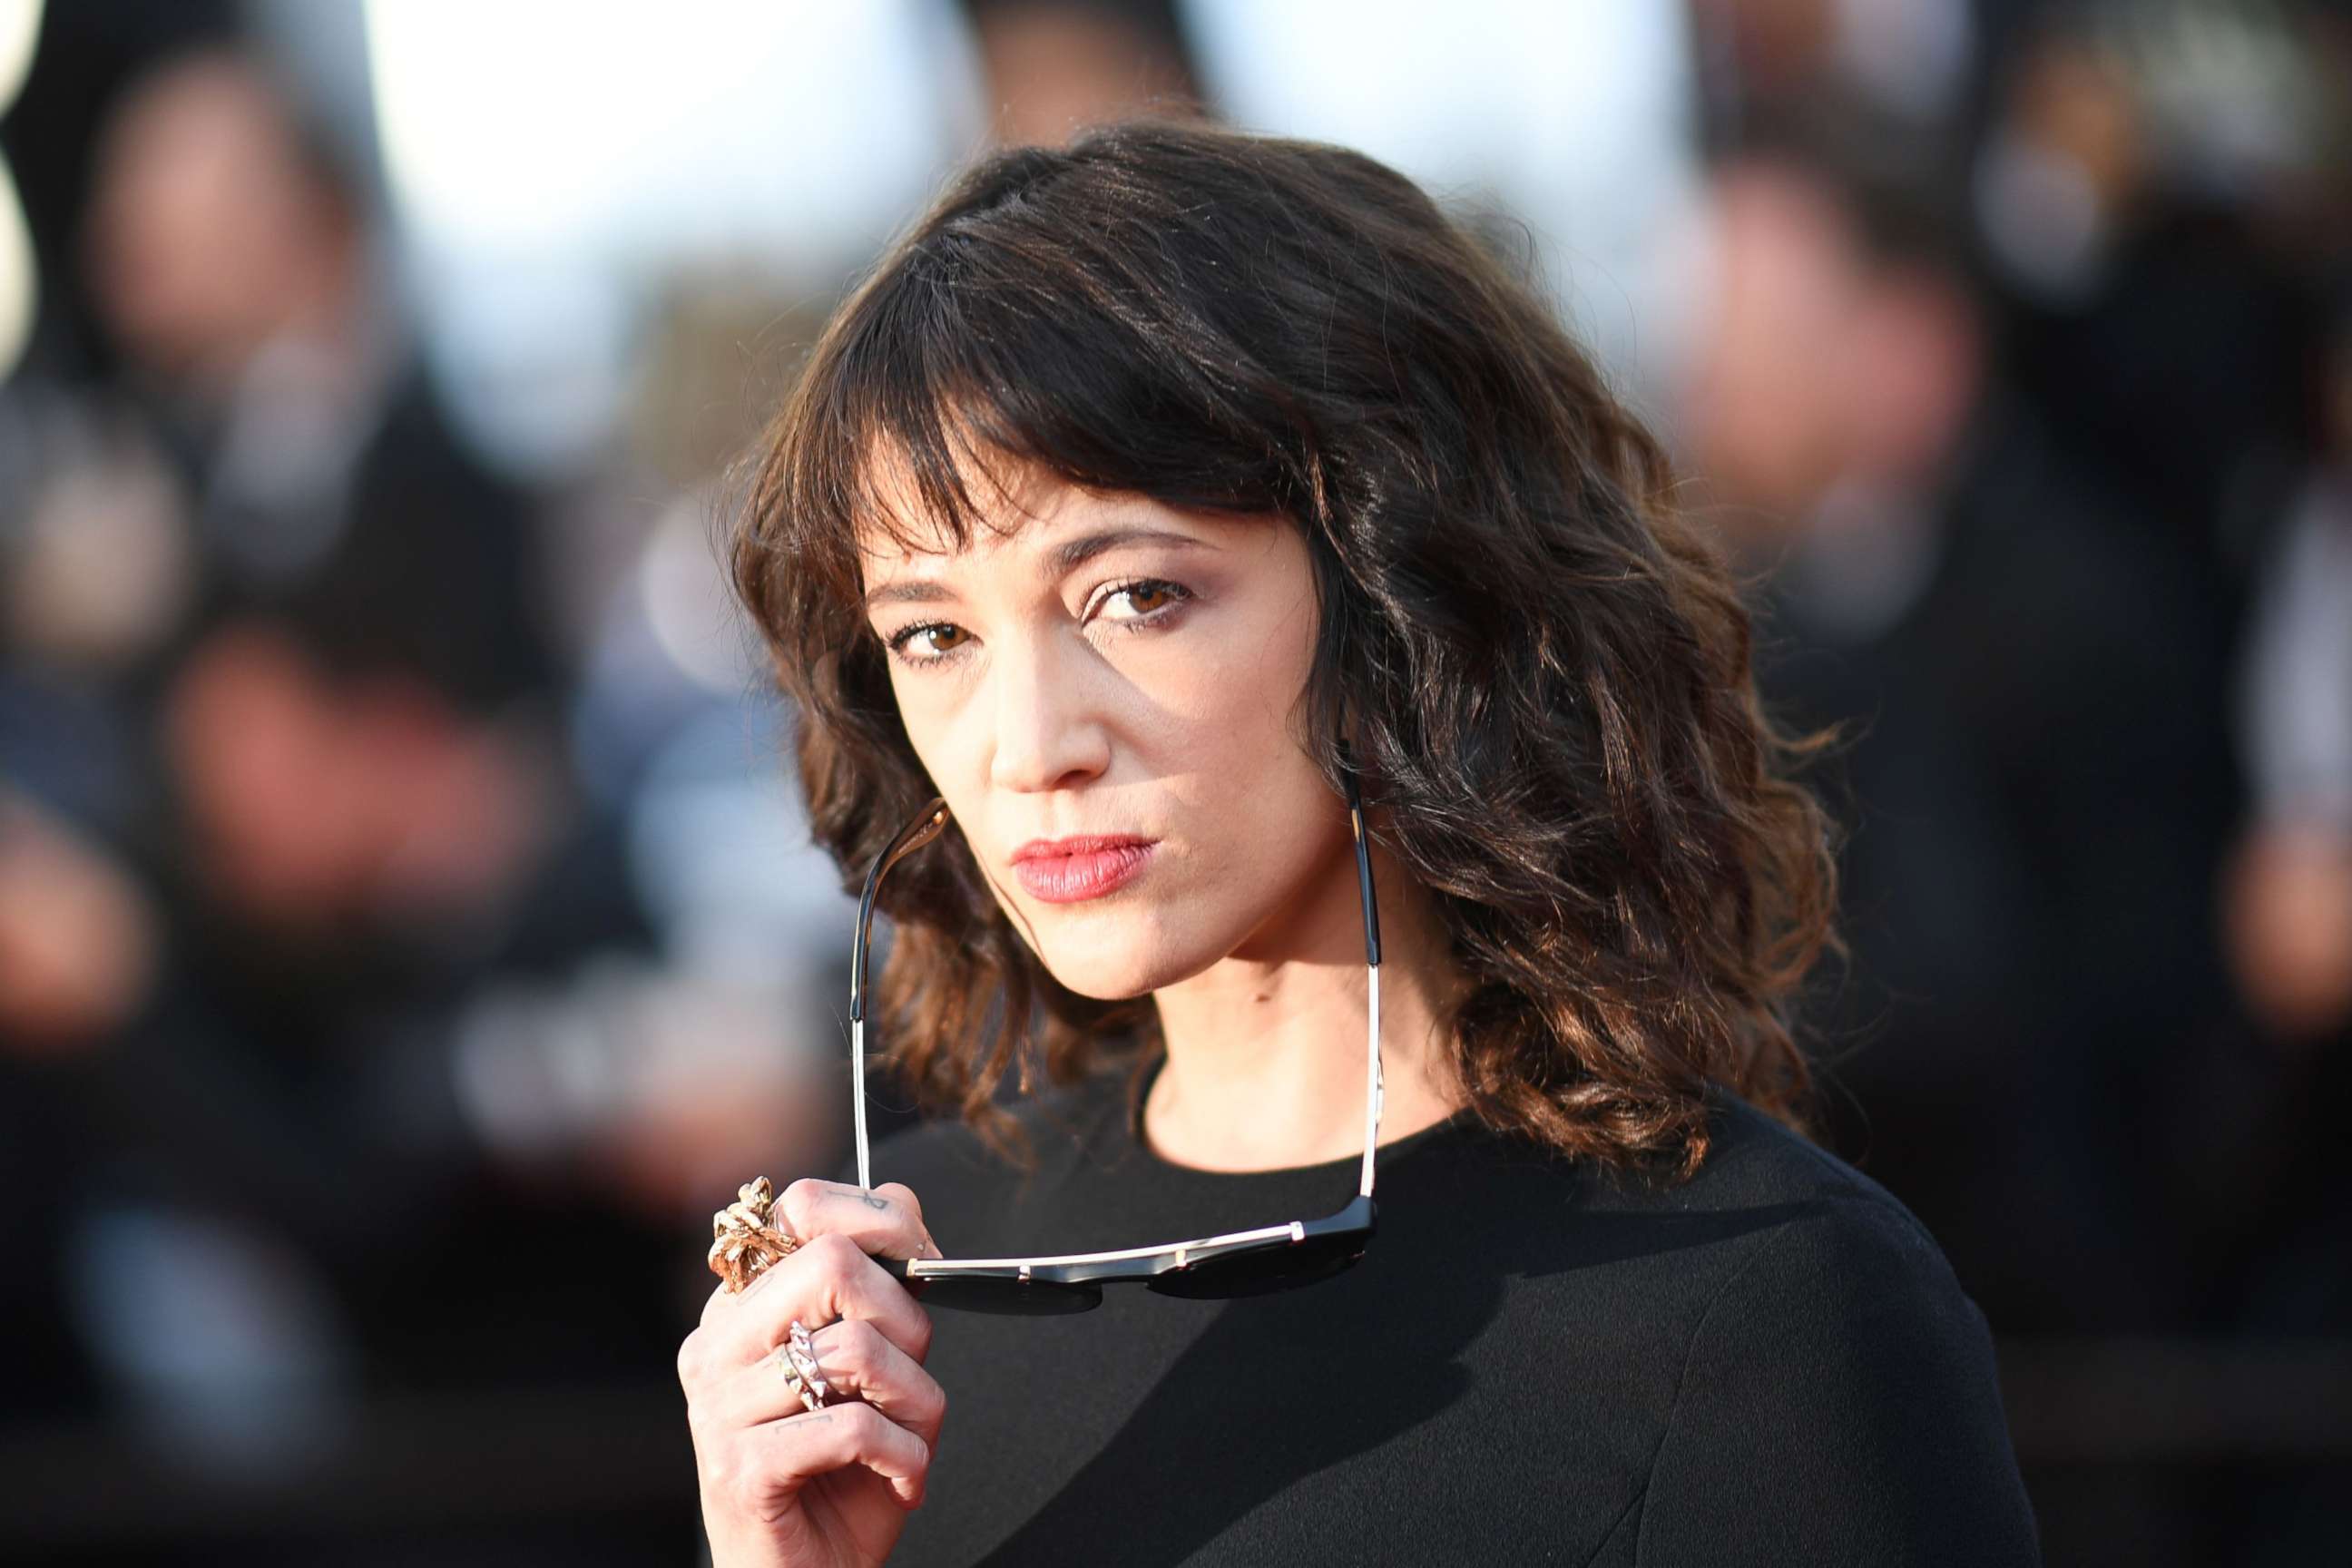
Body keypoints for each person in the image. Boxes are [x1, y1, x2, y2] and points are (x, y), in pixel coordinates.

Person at [681, 118, 2040, 1566]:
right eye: (934, 632)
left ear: (1404, 598)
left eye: (1135, 596)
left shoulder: (1762, 1311)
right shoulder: (900, 1293)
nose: (1028, 744)